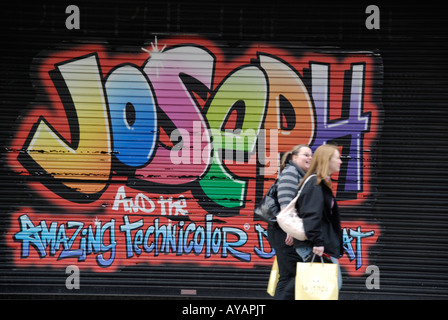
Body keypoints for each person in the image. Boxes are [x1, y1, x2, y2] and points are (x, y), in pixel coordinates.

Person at [294, 144, 344, 291]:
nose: (340, 161)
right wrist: (318, 242)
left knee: (322, 289)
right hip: (314, 246)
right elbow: (311, 215)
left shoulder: (320, 182)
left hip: (318, 244)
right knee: (327, 288)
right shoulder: (315, 183)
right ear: (327, 160)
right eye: (337, 158)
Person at [267, 144, 312, 300]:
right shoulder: (291, 173)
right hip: (285, 231)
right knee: (292, 274)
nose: (310, 158)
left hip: (285, 229)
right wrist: (290, 231)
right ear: (294, 157)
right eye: (305, 154)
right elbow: (285, 204)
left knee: (289, 274)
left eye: (311, 155)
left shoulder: (298, 174)